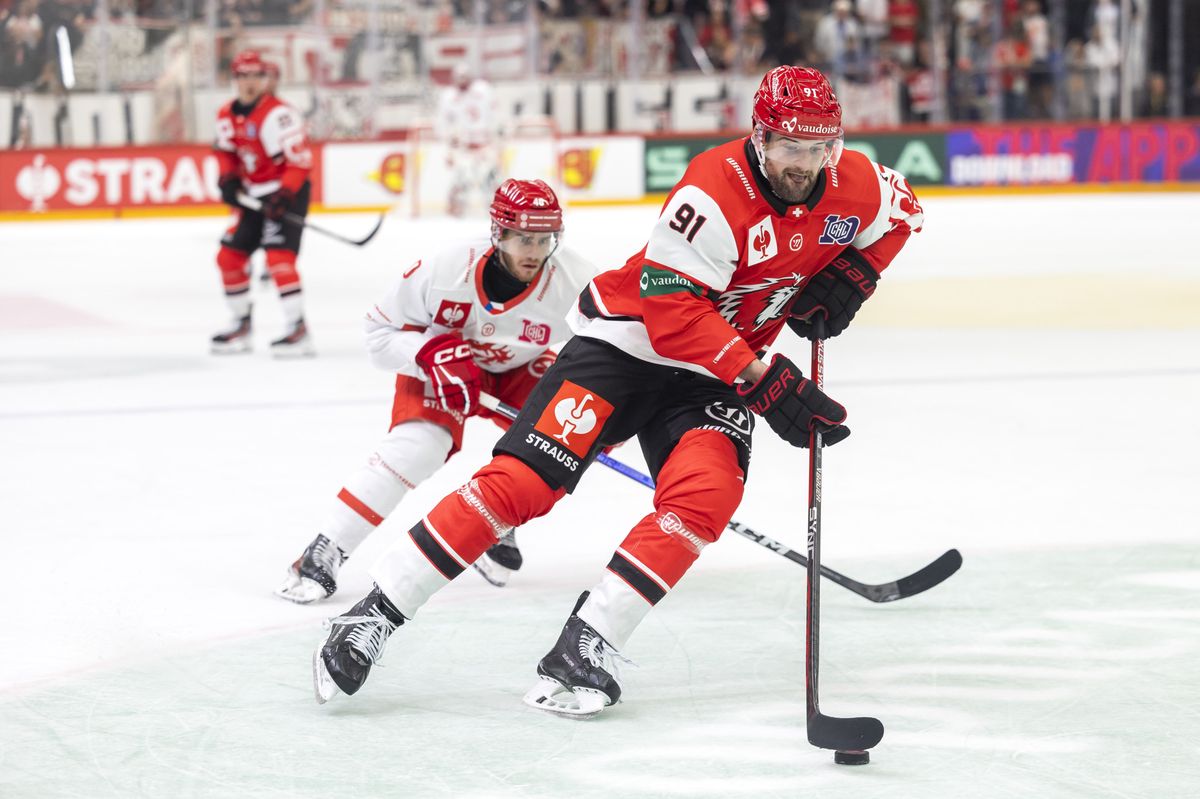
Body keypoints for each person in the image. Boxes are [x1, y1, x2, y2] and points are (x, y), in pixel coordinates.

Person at [311, 66, 925, 716]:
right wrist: (761, 378)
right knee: (521, 486)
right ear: (761, 136)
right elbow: (673, 312)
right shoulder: (713, 191)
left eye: (818, 147)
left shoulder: (856, 183)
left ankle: (587, 643)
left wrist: (857, 273)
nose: (803, 163)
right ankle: (372, 614)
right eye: (790, 146)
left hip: (711, 377)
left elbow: (905, 211)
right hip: (624, 350)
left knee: (706, 495)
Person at [278, 179, 597, 603]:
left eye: (544, 240)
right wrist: (426, 352)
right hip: (441, 363)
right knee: (419, 447)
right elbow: (378, 335)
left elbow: (612, 348)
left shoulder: (576, 281)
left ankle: (496, 518)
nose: (535, 252)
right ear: (498, 233)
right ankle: (326, 548)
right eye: (524, 238)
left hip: (521, 368)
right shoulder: (446, 268)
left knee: (556, 446)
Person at [211, 49, 315, 357]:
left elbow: (300, 162)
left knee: (278, 258)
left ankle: (298, 329)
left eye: (256, 75)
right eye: (244, 76)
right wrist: (228, 179)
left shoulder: (279, 115)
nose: (250, 82)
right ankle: (241, 325)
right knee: (228, 257)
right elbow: (226, 152)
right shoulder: (226, 114)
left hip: (286, 193)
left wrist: (284, 196)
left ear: (264, 78)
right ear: (235, 78)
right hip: (253, 196)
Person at [434, 63, 499, 216]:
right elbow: (442, 123)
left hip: (484, 145)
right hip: (463, 147)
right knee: (461, 180)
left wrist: (495, 138)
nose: (462, 80)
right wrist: (449, 145)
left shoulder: (483, 90)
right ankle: (456, 209)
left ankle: (496, 210)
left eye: (464, 77)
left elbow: (495, 114)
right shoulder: (449, 96)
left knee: (490, 180)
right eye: (459, 77)